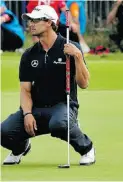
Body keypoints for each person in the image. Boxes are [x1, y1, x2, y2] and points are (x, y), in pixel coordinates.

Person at [1, 5, 95, 166]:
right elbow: (25, 90)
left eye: (36, 20)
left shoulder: (70, 48)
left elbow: (84, 84)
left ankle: (86, 148)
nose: (31, 24)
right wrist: (27, 114)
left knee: (59, 124)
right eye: (30, 20)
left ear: (49, 22)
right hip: (36, 108)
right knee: (4, 132)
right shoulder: (29, 55)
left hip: (62, 105)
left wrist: (78, 57)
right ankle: (20, 148)